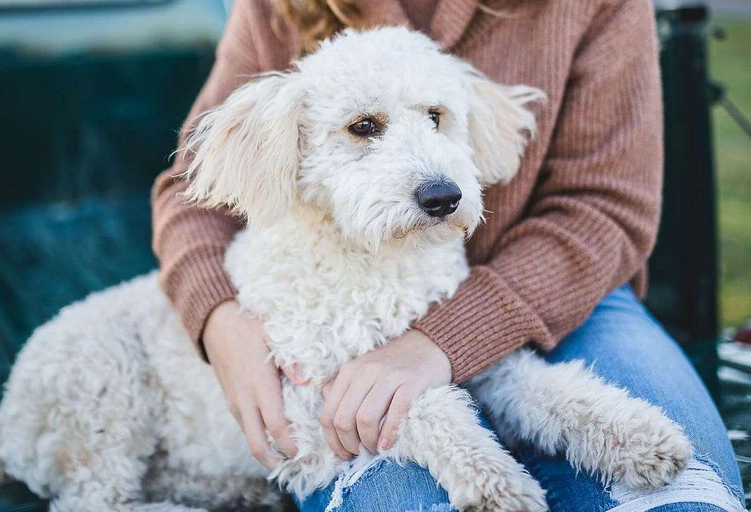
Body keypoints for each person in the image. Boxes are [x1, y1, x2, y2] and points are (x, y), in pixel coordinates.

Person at [150, 1, 746, 511]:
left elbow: (605, 205)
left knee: (682, 494)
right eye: (364, 127)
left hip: (568, 296)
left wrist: (443, 341)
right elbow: (191, 190)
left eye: (436, 118)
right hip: (331, 309)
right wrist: (219, 319)